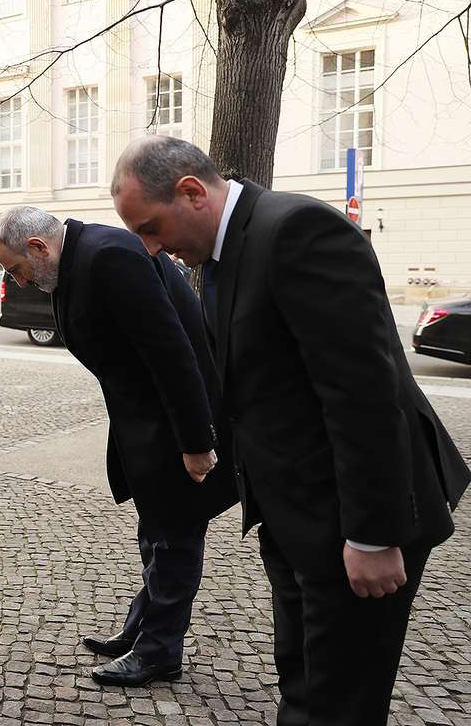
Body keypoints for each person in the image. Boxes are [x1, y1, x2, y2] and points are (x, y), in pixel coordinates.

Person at [110, 135, 471, 725]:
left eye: (151, 227)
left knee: (338, 704)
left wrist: (374, 536)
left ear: (192, 192)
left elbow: (364, 394)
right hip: (295, 516)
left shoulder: (297, 231)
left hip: (356, 521)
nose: (151, 247)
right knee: (303, 684)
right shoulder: (222, 253)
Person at [0, 206, 237, 687]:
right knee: (156, 534)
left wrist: (195, 442)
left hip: (176, 425)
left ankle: (159, 653)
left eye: (15, 269)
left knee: (174, 539)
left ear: (38, 248)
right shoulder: (76, 260)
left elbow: (172, 351)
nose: (17, 282)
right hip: (147, 425)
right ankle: (142, 630)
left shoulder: (108, 256)